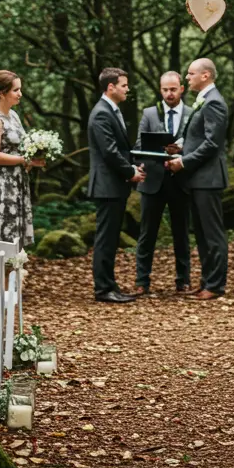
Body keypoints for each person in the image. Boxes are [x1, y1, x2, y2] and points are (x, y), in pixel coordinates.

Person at [166, 57, 228, 300]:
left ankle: (215, 285)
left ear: (205, 76)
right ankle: (206, 282)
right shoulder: (204, 101)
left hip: (209, 178)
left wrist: (183, 162)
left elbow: (212, 143)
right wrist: (180, 148)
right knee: (201, 233)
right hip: (199, 179)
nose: (186, 78)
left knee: (213, 234)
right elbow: (198, 138)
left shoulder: (214, 103)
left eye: (191, 74)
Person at [87, 67, 145, 303]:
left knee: (110, 238)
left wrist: (134, 165)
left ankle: (110, 285)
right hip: (107, 185)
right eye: (124, 85)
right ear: (110, 87)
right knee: (106, 238)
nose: (127, 89)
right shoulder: (102, 113)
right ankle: (103, 289)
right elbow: (110, 152)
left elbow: (119, 149)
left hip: (113, 185)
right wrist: (130, 171)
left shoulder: (111, 110)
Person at [134, 71, 192, 295]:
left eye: (173, 89)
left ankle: (183, 281)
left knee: (182, 233)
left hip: (181, 181)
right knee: (147, 233)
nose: (169, 93)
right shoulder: (149, 113)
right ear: (160, 90)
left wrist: (182, 151)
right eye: (165, 90)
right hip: (153, 180)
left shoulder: (191, 113)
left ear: (181, 89)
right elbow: (139, 145)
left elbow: (198, 145)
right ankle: (141, 281)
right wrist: (157, 151)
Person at [0, 70, 44, 245]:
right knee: (2, 239)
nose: (20, 94)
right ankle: (1, 273)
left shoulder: (13, 115)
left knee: (15, 240)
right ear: (1, 93)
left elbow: (19, 148)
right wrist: (23, 160)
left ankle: (13, 272)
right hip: (0, 185)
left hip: (17, 182)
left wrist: (34, 157)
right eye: (16, 90)